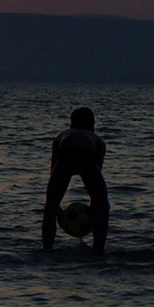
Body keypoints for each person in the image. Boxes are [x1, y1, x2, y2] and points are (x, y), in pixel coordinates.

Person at [42, 106, 109, 253]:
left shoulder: (62, 136)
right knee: (102, 206)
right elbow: (97, 175)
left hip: (66, 151)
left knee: (50, 207)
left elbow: (52, 172)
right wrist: (93, 208)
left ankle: (47, 249)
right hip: (88, 154)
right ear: (92, 126)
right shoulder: (97, 141)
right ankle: (98, 250)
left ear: (71, 124)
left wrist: (55, 208)